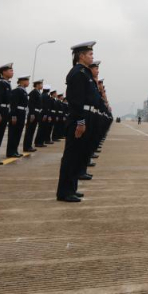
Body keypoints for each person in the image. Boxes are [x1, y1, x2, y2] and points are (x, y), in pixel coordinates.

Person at [57, 41, 97, 202]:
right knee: (71, 157)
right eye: (90, 54)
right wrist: (80, 122)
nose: (92, 57)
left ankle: (71, 188)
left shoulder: (84, 73)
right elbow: (75, 101)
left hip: (83, 117)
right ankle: (65, 192)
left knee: (77, 155)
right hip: (77, 119)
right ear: (81, 56)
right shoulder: (77, 73)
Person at [6, 75, 30, 158]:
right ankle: (10, 151)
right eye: (27, 81)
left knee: (18, 133)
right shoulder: (17, 91)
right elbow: (13, 104)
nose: (28, 83)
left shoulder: (23, 91)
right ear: (22, 82)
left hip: (22, 113)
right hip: (17, 113)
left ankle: (14, 150)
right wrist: (13, 116)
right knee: (13, 133)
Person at [23, 79, 43, 152]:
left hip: (37, 113)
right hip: (33, 113)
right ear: (37, 85)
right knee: (29, 131)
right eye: (41, 84)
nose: (42, 86)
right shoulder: (33, 92)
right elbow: (31, 104)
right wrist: (32, 114)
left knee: (32, 130)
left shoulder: (38, 93)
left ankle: (29, 146)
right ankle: (27, 146)